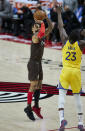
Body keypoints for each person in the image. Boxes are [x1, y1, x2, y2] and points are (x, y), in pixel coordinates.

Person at [55, 4, 85, 131]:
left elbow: (61, 26)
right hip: (76, 73)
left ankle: (62, 120)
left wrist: (59, 13)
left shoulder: (64, 40)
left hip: (65, 72)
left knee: (62, 95)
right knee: (77, 97)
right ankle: (80, 123)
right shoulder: (81, 44)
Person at [24, 10, 52, 121]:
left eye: (37, 26)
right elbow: (39, 34)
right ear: (33, 28)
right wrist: (41, 23)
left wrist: (46, 18)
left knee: (39, 85)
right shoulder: (35, 37)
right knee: (33, 85)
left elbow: (51, 28)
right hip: (33, 63)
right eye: (35, 27)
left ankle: (36, 105)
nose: (35, 28)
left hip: (39, 63)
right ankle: (28, 107)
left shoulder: (42, 35)